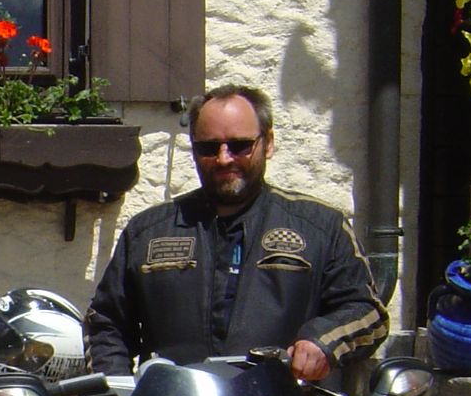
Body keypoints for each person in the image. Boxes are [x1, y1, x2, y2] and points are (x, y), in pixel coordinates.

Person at [85, 84, 387, 378]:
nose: (224, 158)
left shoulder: (320, 227)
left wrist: (323, 341)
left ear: (268, 143)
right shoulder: (148, 232)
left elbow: (368, 312)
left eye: (240, 145)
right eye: (208, 147)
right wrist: (118, 393)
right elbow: (105, 323)